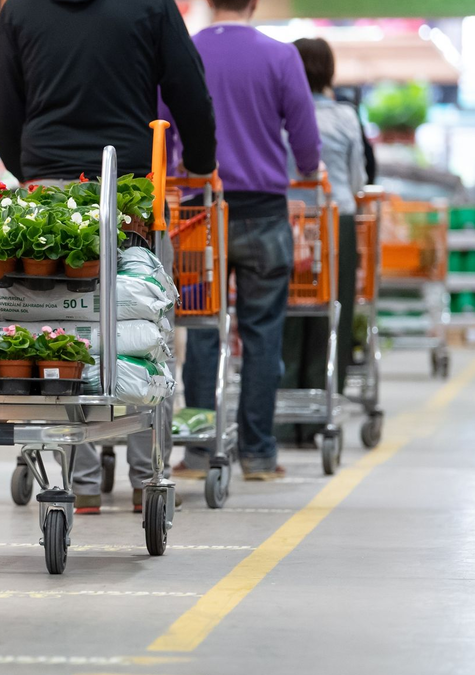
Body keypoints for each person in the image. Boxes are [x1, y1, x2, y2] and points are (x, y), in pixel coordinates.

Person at [0, 0, 217, 514]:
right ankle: (147, 474)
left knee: (62, 325)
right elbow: (187, 87)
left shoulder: (19, 9)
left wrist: (31, 167)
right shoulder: (149, 5)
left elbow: (2, 102)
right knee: (146, 322)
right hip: (131, 189)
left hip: (48, 185)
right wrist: (201, 160)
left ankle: (80, 477)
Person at [173, 0, 321, 481]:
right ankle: (257, 454)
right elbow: (305, 139)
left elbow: (162, 126)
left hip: (199, 214)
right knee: (262, 334)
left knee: (199, 330)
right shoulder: (281, 57)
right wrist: (309, 168)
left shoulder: (184, 52)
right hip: (264, 213)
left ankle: (197, 452)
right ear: (253, 4)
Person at [276, 37, 367, 447]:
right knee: (333, 310)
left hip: (289, 219)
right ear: (329, 72)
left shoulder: (279, 113)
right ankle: (321, 411)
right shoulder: (346, 116)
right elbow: (358, 178)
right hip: (335, 220)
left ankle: (281, 415)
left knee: (287, 311)